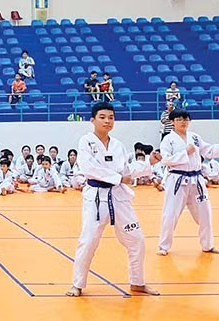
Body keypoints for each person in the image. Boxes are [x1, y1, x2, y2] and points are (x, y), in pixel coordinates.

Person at [66, 102, 161, 298]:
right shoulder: (86, 142)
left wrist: (148, 163)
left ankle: (137, 282)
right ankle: (77, 284)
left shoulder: (118, 145)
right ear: (92, 120)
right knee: (89, 241)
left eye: (111, 117)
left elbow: (126, 171)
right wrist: (119, 178)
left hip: (119, 197)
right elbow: (89, 168)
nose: (107, 121)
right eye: (102, 117)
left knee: (137, 240)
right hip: (96, 199)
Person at [157, 109, 219, 256]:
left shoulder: (195, 137)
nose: (183, 122)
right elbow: (166, 160)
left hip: (196, 180)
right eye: (179, 119)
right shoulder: (168, 139)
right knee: (170, 214)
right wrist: (185, 152)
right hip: (177, 181)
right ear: (172, 122)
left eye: (186, 119)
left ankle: (208, 245)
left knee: (205, 213)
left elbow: (209, 152)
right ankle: (164, 246)